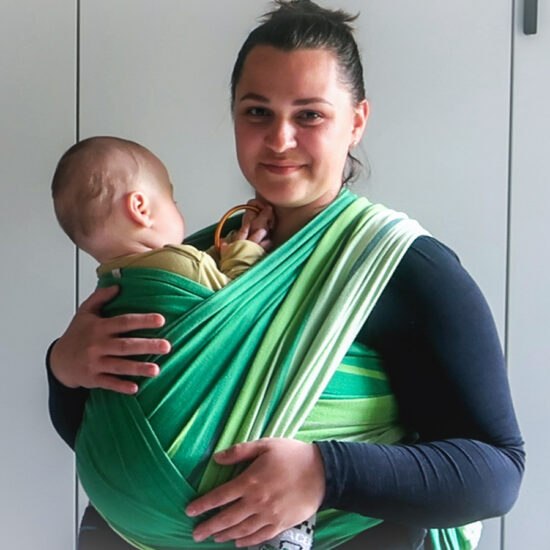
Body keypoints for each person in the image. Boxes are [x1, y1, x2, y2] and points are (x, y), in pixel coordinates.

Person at [46, 1, 525, 549]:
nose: (279, 139)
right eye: (257, 112)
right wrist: (64, 369)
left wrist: (325, 472)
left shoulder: (403, 268)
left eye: (309, 115)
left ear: (356, 122)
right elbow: (116, 431)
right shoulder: (193, 262)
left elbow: (497, 471)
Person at [51, 136, 273, 289]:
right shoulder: (181, 264)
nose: (176, 206)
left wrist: (229, 245)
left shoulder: (110, 280)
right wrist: (246, 251)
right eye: (171, 199)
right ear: (141, 209)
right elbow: (234, 299)